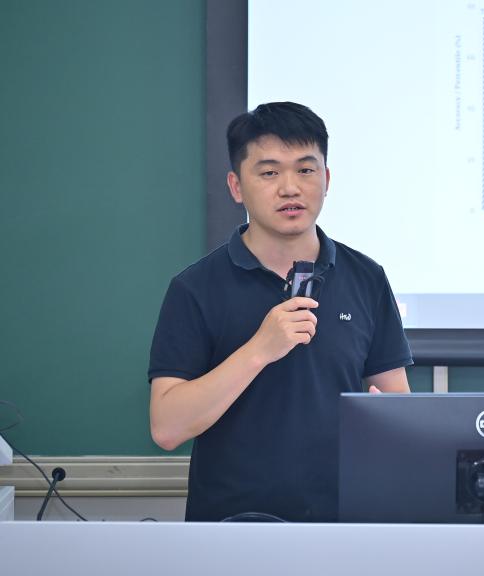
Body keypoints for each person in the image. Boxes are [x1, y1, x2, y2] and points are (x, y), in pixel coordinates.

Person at [148, 102, 413, 522]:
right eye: (269, 173)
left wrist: (385, 421)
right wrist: (260, 349)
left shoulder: (366, 277)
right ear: (236, 186)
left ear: (326, 179)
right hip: (231, 528)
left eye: (305, 170)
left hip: (343, 525)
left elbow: (398, 406)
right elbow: (167, 428)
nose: (290, 188)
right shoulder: (195, 288)